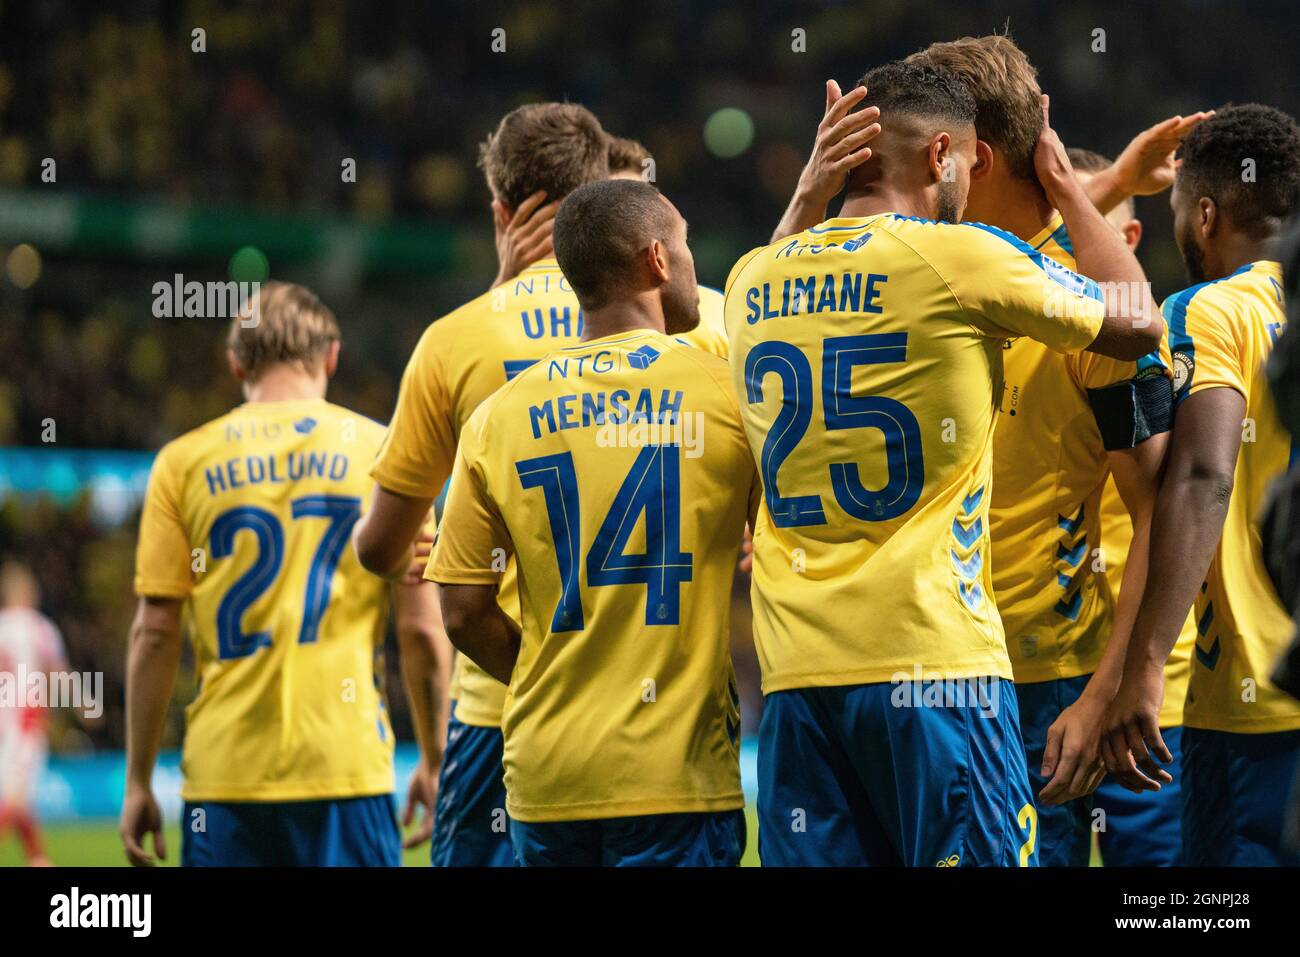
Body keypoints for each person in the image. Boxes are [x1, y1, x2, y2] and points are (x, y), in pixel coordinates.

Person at [726, 58, 1160, 866]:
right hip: (935, 668)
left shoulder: (751, 279)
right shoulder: (958, 255)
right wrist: (1064, 184)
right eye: (965, 158)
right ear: (940, 157)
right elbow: (1138, 323)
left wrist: (806, 195)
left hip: (795, 681)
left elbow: (777, 267)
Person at [353, 103, 727, 866]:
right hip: (669, 730)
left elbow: (385, 552)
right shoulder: (707, 333)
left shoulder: (459, 342)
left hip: (515, 713)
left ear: (501, 209)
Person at [896, 35, 1209, 865]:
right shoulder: (937, 274)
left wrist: (1105, 691)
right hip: (930, 670)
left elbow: (1157, 511)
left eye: (932, 152)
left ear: (973, 158)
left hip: (1045, 684)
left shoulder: (1090, 309)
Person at [428, 179, 757, 866]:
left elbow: (460, 612)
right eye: (687, 245)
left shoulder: (499, 416)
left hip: (549, 774)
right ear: (658, 259)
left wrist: (549, 677)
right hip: (677, 775)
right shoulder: (727, 392)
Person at [123, 281, 446, 867]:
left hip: (224, 779)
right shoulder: (385, 455)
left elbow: (154, 633)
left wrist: (139, 780)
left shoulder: (181, 462)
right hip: (345, 770)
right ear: (331, 356)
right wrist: (433, 754)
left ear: (235, 363)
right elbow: (421, 630)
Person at [1103, 104, 1300, 866]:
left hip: (1255, 701)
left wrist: (1143, 666)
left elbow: (1204, 474)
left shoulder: (1210, 310)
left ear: (1207, 214)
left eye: (1180, 210)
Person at [1069, 146, 1194, 866]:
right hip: (1045, 689)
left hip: (1148, 699)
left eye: (1087, 220)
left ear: (1130, 240)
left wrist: (1120, 681)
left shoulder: (1166, 342)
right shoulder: (1009, 338)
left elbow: (1176, 506)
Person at [0, 562, 67, 867]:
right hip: (26, 722)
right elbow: (57, 673)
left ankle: (37, 857)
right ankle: (37, 857)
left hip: (4, 722)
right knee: (15, 798)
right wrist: (85, 704)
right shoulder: (39, 627)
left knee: (17, 797)